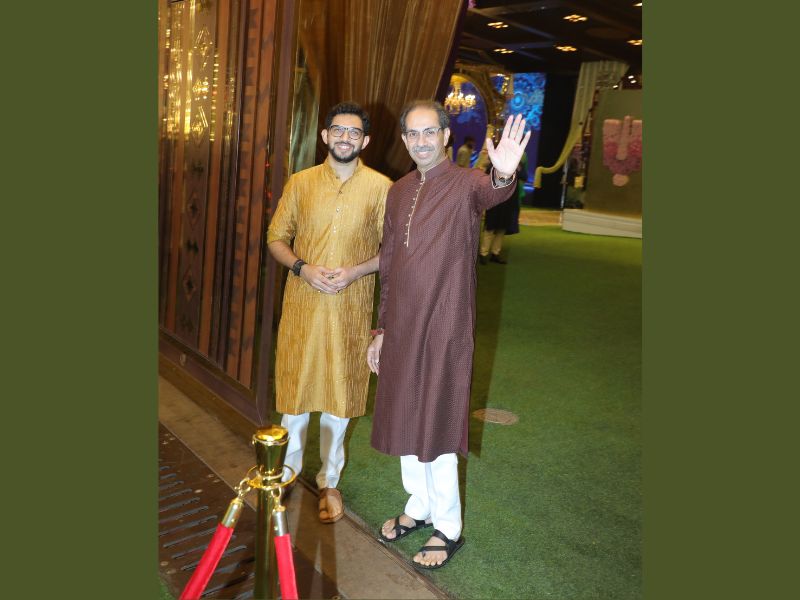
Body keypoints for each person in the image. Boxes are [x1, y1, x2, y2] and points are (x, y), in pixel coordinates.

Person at [366, 100, 530, 568]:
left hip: (444, 323)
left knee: (436, 417)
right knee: (404, 413)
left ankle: (448, 525)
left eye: (429, 132)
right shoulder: (398, 191)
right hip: (401, 325)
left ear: (445, 135)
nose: (421, 141)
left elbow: (493, 193)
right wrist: (381, 328)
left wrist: (503, 174)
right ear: (404, 140)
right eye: (412, 134)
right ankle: (418, 505)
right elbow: (391, 265)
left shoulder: (466, 183)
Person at [267, 102, 391, 523]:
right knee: (296, 391)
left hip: (350, 307)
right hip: (303, 303)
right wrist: (303, 268)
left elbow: (392, 251)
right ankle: (286, 474)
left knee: (340, 394)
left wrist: (355, 271)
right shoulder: (300, 183)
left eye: (354, 133)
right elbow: (276, 238)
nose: (345, 138)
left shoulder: (381, 188)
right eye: (338, 130)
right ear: (324, 135)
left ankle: (329, 481)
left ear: (365, 141)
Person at [479, 149, 528, 264]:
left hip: (509, 200)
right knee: (490, 226)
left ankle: (495, 253)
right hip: (495, 199)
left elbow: (524, 176)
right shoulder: (495, 162)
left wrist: (518, 167)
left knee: (502, 227)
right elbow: (488, 175)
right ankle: (483, 253)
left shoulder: (517, 163)